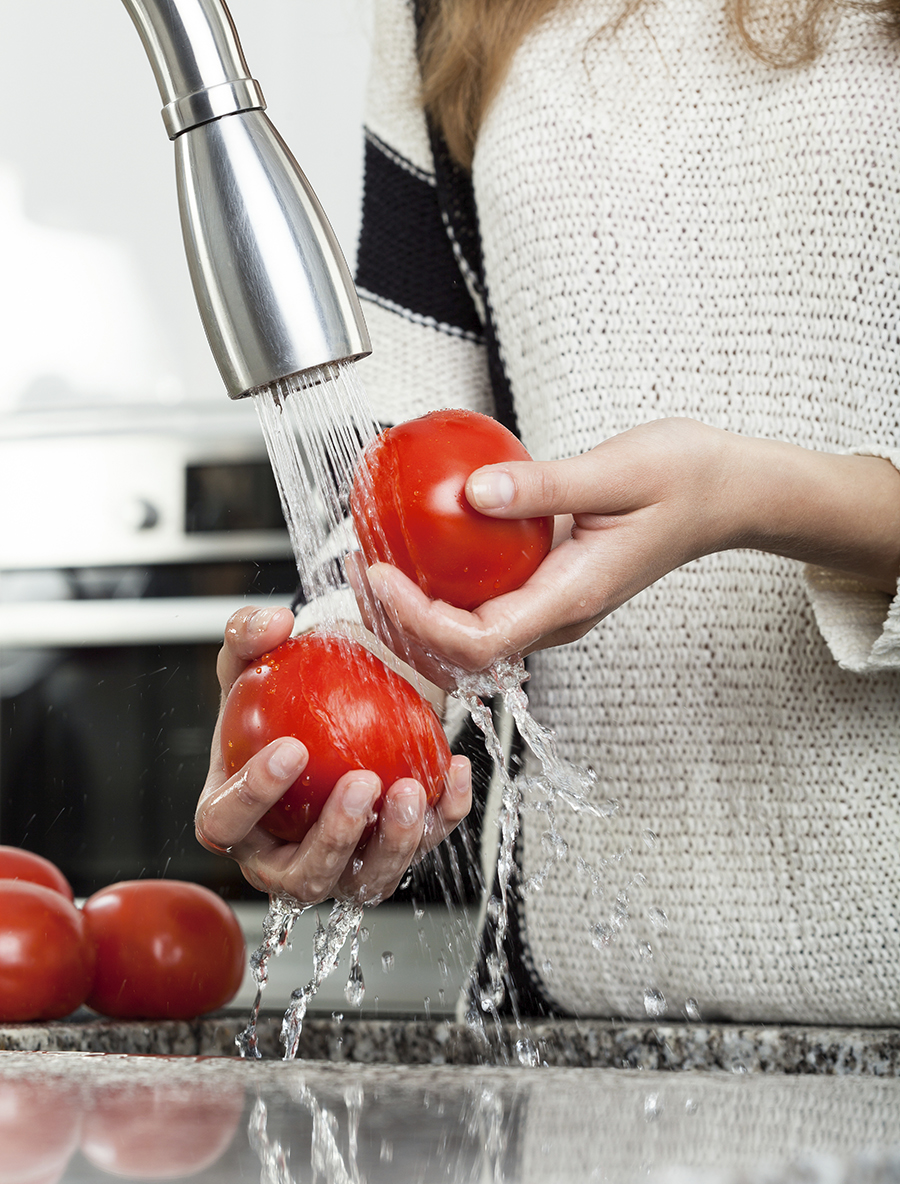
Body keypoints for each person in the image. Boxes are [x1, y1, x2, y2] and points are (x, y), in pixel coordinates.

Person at [197, 0, 900, 1025]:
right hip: (583, 1009)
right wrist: (337, 698)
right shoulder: (445, 9)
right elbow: (401, 489)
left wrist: (751, 497)